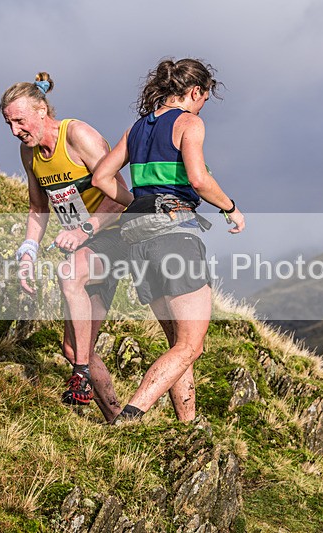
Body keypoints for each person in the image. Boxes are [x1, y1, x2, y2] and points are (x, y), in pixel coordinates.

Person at [91, 58, 245, 423]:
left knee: (179, 343)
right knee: (191, 345)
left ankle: (187, 424)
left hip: (136, 238)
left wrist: (139, 202)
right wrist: (231, 208)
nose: (203, 104)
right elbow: (198, 180)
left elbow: (101, 177)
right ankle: (132, 415)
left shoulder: (137, 128)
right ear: (195, 91)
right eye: (204, 97)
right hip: (175, 233)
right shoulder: (189, 122)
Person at [0, 72, 128, 421]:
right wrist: (28, 250)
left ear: (41, 110)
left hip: (114, 234)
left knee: (69, 275)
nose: (16, 131)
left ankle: (81, 376)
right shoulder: (29, 154)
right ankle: (118, 420)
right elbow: (38, 208)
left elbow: (122, 196)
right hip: (84, 243)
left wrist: (86, 227)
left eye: (20, 121)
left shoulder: (77, 135)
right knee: (74, 346)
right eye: (9, 124)